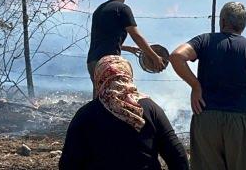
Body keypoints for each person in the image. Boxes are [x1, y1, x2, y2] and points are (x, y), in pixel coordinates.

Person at [170, 1, 246, 170]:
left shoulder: (205, 40)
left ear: (222, 21)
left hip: (205, 119)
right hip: (239, 121)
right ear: (243, 25)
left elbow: (176, 56)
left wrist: (195, 85)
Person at [59, 55, 189, 170]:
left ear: (99, 78)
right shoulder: (150, 108)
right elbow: (177, 154)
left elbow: (68, 162)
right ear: (128, 74)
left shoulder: (85, 114)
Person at [87, 0, 165, 96]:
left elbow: (102, 40)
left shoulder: (99, 10)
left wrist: (127, 48)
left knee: (99, 100)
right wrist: (154, 56)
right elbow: (136, 36)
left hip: (92, 62)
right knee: (114, 100)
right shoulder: (123, 9)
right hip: (109, 63)